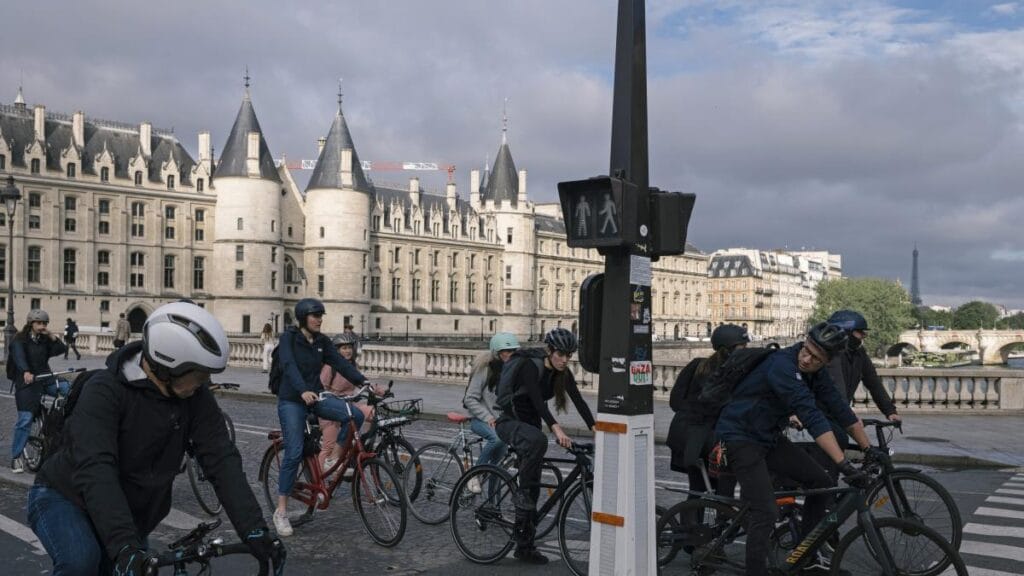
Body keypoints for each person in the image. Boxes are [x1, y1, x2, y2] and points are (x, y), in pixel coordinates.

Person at [26, 301, 283, 574]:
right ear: (167, 366)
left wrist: (254, 529)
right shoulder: (104, 392)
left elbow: (221, 459)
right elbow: (96, 469)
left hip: (130, 512)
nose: (205, 382)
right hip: (66, 497)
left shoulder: (195, 396)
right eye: (199, 374)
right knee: (82, 563)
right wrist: (125, 545)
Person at [715, 322, 880, 576]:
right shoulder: (782, 365)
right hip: (740, 437)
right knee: (765, 511)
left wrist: (869, 449)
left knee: (820, 482)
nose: (806, 359)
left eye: (815, 358)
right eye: (806, 350)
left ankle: (804, 554)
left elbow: (840, 409)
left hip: (767, 436)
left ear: (826, 362)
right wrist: (843, 464)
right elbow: (811, 416)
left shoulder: (818, 373)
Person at [494, 328, 596, 565]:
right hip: (509, 422)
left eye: (569, 355)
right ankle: (522, 494)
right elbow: (537, 402)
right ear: (549, 351)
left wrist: (595, 427)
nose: (564, 359)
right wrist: (556, 428)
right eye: (560, 354)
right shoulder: (532, 366)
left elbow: (578, 400)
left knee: (535, 488)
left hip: (530, 426)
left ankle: (524, 547)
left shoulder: (562, 373)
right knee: (538, 444)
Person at [274, 298, 371, 537]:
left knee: (354, 415)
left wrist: (364, 381)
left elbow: (339, 362)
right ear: (303, 318)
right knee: (294, 451)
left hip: (315, 397)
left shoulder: (321, 341)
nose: (319, 319)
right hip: (292, 400)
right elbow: (288, 365)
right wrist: (301, 389)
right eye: (315, 315)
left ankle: (333, 459)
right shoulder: (289, 338)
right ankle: (281, 511)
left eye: (321, 315)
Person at [666, 324, 748, 497]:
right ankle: (721, 523)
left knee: (697, 490)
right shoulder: (733, 373)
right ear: (729, 349)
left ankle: (692, 524)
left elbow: (675, 401)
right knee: (724, 490)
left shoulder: (697, 365)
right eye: (743, 347)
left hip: (689, 438)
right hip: (713, 441)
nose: (746, 351)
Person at [9, 309, 68, 473]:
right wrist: (26, 371)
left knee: (68, 390)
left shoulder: (43, 340)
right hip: (26, 382)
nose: (42, 326)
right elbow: (19, 357)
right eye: (39, 323)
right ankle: (16, 457)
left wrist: (50, 335)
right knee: (25, 419)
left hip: (44, 378)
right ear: (31, 324)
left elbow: (61, 349)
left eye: (44, 323)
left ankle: (55, 420)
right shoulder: (19, 340)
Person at [317, 332, 383, 471]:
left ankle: (361, 445)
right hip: (330, 408)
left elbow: (361, 382)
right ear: (336, 350)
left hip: (348, 405)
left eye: (349, 347)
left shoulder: (351, 365)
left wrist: (377, 390)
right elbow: (320, 388)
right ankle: (318, 480)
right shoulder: (330, 367)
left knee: (374, 413)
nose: (348, 351)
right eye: (344, 348)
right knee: (329, 446)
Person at [462, 332, 519, 492]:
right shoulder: (485, 370)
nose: (509, 355)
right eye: (505, 351)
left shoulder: (511, 371)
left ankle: (492, 507)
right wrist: (487, 417)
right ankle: (474, 475)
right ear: (496, 352)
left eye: (513, 351)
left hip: (499, 422)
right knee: (496, 439)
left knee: (497, 468)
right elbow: (470, 399)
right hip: (480, 420)